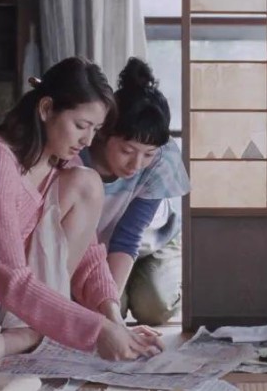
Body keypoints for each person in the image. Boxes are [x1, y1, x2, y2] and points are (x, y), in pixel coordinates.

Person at [0, 57, 164, 377]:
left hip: (6, 309)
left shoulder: (65, 163)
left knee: (87, 183)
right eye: (81, 126)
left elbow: (89, 255)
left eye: (95, 130)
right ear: (46, 109)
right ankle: (30, 336)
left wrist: (114, 321)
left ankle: (27, 333)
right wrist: (96, 331)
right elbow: (11, 280)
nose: (88, 141)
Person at [79, 57, 190, 326]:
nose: (137, 164)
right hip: (91, 247)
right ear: (104, 133)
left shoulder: (163, 159)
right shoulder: (77, 154)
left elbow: (129, 236)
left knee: (154, 308)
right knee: (99, 309)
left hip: (150, 244)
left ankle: (139, 281)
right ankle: (124, 290)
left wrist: (110, 318)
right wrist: (109, 310)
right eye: (127, 151)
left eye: (148, 154)